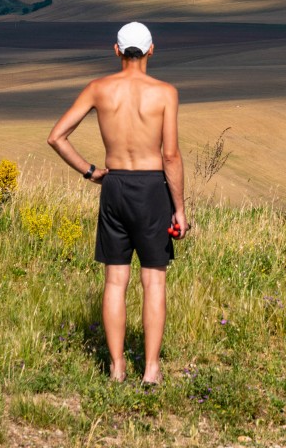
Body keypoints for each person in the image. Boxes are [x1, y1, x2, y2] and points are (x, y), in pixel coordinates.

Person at [47, 21, 187, 384]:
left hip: (115, 185)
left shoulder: (98, 89)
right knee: (153, 282)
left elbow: (57, 137)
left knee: (115, 281)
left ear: (117, 51)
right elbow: (170, 155)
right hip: (152, 189)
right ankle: (152, 369)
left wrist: (91, 171)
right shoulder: (165, 93)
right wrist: (180, 208)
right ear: (152, 50)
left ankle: (116, 367)